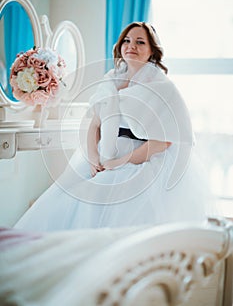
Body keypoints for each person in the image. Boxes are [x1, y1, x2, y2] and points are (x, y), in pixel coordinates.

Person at [15, 22, 211, 231]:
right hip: (103, 157)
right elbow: (94, 124)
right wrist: (93, 159)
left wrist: (118, 163)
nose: (131, 46)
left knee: (107, 204)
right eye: (126, 40)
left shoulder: (161, 87)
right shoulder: (110, 79)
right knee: (64, 202)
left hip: (141, 160)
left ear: (152, 51)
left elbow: (163, 141)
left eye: (140, 42)